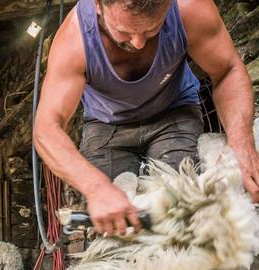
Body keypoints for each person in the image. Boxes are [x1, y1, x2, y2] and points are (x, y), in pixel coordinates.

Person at [33, 0, 259, 238]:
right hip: (107, 124)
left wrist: (241, 144)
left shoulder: (189, 8)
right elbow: (47, 127)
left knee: (181, 211)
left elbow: (227, 70)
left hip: (173, 109)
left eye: (152, 29)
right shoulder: (75, 39)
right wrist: (95, 187)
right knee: (115, 231)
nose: (138, 43)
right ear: (98, 4)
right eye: (123, 31)